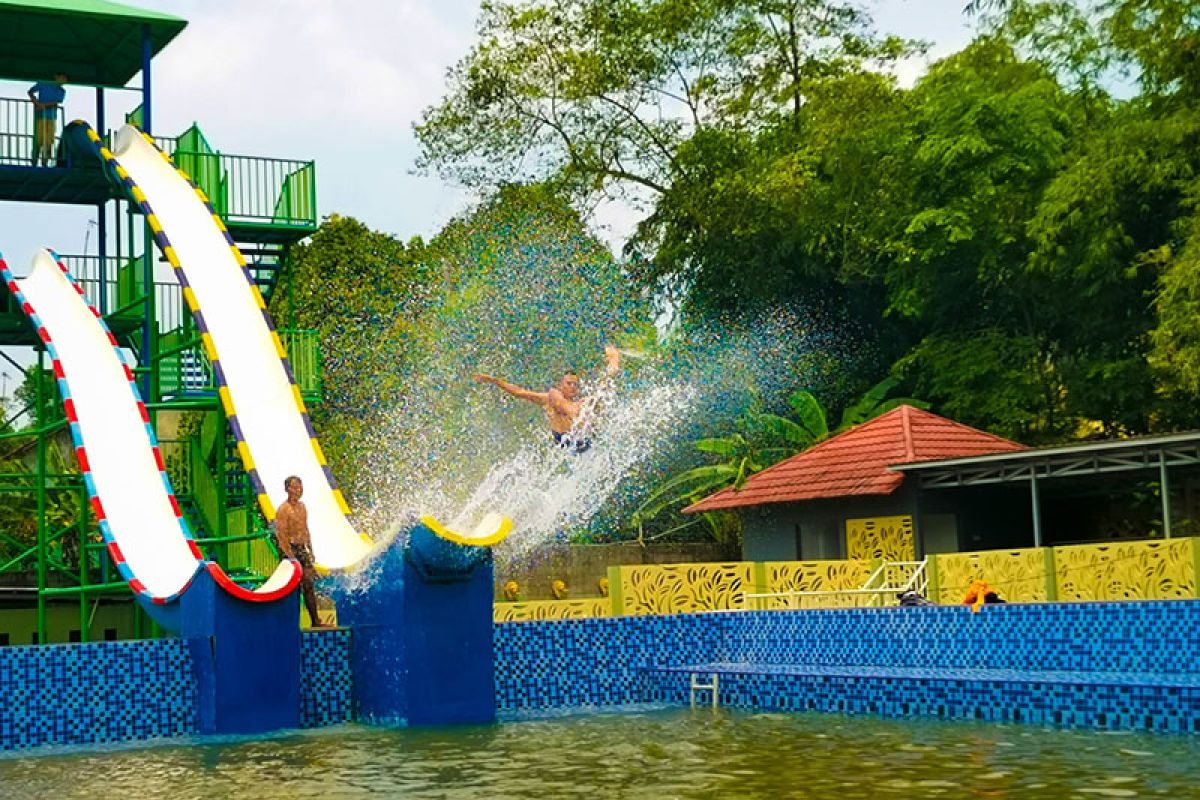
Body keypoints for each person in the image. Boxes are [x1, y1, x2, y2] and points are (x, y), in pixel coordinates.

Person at [474, 345, 621, 452]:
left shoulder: (581, 403)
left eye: (575, 385)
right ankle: (613, 363)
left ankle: (612, 366)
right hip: (563, 440)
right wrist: (495, 381)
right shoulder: (549, 398)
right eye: (569, 384)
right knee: (556, 396)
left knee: (594, 401)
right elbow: (519, 392)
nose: (573, 387)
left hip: (584, 441)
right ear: (561, 385)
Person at [273, 475, 330, 628]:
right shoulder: (283, 510)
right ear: (288, 489)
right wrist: (291, 557)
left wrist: (310, 550)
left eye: (300, 486)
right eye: (295, 487)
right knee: (292, 588)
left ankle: (315, 621)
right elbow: (281, 535)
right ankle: (289, 624)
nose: (299, 490)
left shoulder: (302, 507)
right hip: (289, 550)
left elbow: (305, 530)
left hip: (301, 548)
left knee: (309, 583)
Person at [27, 73, 67, 167]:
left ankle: (45, 161)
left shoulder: (62, 91)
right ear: (56, 77)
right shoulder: (44, 83)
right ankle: (34, 161)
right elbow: (30, 91)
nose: (64, 80)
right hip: (40, 117)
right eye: (63, 78)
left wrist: (42, 105)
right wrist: (36, 102)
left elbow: (56, 102)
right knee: (38, 139)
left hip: (51, 118)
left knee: (49, 140)